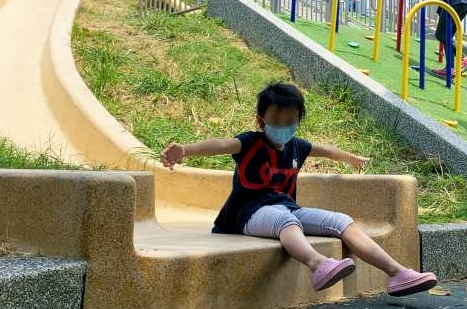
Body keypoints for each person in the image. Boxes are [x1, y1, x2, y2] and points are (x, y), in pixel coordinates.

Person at [160, 82, 438, 296]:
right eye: (276, 121)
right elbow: (220, 144)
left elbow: (323, 150)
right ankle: (319, 265)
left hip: (285, 207)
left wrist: (349, 158)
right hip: (247, 214)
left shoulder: (297, 146)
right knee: (285, 220)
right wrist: (185, 150)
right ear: (261, 120)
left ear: (298, 120)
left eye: (290, 122)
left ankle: (398, 273)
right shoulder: (250, 142)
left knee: (340, 221)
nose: (283, 127)